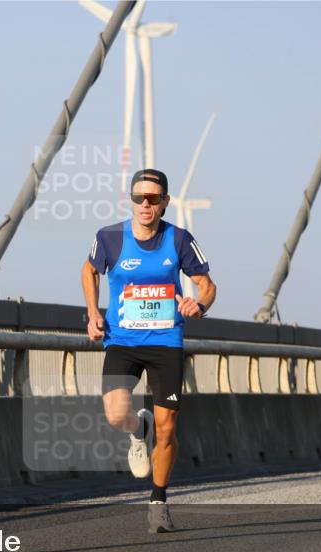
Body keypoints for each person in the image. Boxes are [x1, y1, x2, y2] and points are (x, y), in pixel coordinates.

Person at [81, 169, 216, 533]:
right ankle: (136, 428)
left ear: (165, 203)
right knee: (115, 414)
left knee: (168, 429)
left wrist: (198, 306)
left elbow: (206, 285)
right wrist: (94, 312)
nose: (146, 204)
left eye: (153, 198)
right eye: (139, 197)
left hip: (166, 344)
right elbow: (90, 271)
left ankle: (158, 500)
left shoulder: (180, 239)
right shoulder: (109, 237)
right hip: (122, 341)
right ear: (131, 199)